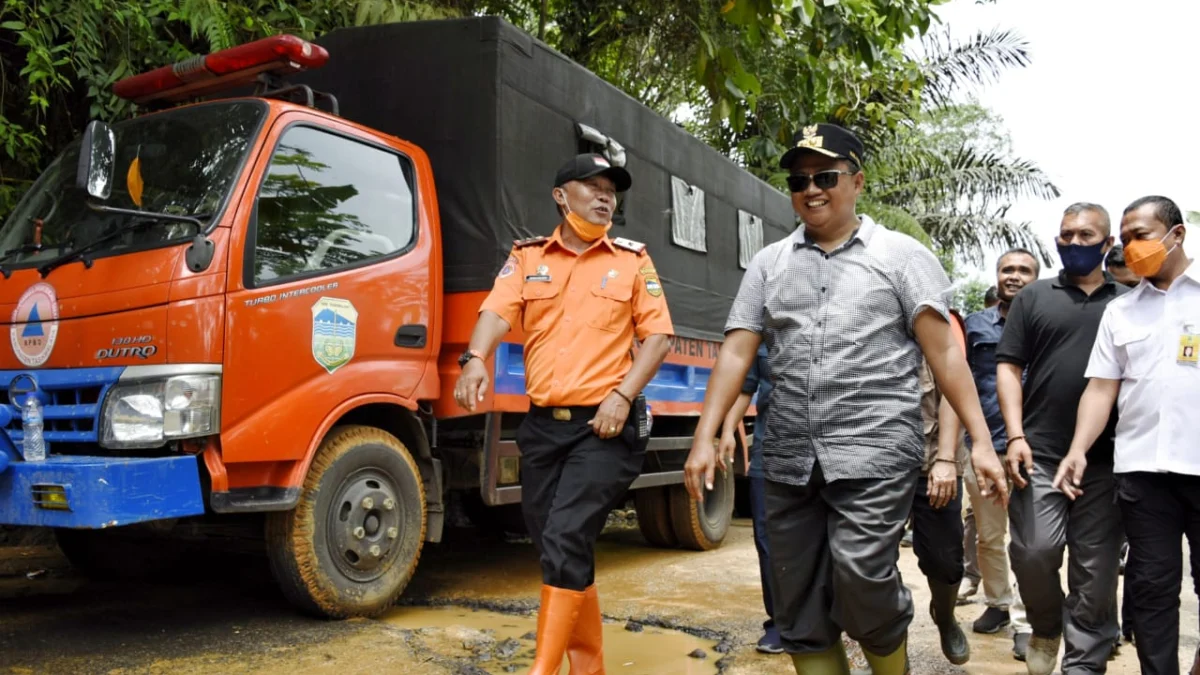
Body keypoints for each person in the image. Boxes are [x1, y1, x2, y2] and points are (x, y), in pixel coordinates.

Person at [682, 123, 1009, 675]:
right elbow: (737, 352)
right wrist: (703, 438)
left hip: (875, 449)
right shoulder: (769, 264)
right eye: (798, 180)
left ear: (856, 181)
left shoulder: (903, 257)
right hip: (787, 453)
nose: (811, 189)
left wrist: (978, 442)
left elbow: (946, 355)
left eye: (825, 176)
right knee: (794, 599)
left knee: (861, 574)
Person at [453, 153, 673, 674]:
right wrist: (474, 359)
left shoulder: (632, 259)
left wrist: (622, 396)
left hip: (605, 426)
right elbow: (496, 309)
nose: (604, 197)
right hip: (542, 429)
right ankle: (588, 668)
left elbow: (659, 336)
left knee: (566, 534)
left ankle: (544, 669)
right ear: (560, 195)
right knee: (556, 546)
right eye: (592, 187)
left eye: (611, 191)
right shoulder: (528, 258)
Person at [1055, 196, 1200, 675]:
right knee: (1151, 588)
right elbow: (1101, 389)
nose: (1131, 247)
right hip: (1142, 474)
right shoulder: (1121, 312)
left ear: (1175, 234)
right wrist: (1077, 449)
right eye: (1127, 236)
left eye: (1141, 234)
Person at [996, 202, 1128, 675]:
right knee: (1034, 552)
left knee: (1095, 572)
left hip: (1109, 459)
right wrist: (1014, 436)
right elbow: (1008, 368)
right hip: (1041, 453)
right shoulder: (1035, 298)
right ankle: (1046, 627)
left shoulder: (1130, 300)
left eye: (1085, 236)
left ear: (1108, 243)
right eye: (1066, 235)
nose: (1073, 243)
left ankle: (1084, 664)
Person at [961, 249, 1038, 659]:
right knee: (990, 537)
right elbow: (961, 385)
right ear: (997, 276)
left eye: (1024, 270)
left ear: (1036, 278)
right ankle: (998, 604)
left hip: (1033, 450)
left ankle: (1027, 621)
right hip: (984, 448)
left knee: (1028, 542)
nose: (1015, 276)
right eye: (1008, 269)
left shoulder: (1047, 321)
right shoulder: (975, 326)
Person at [909, 310, 971, 665]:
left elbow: (953, 386)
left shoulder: (939, 316)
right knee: (870, 561)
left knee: (945, 559)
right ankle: (885, 643)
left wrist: (946, 459)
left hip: (933, 458)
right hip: (875, 464)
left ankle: (945, 617)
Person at [720, 343, 783, 654]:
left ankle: (822, 618)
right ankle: (780, 624)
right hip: (768, 450)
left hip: (821, 453)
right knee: (767, 539)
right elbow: (745, 389)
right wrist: (728, 431)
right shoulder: (762, 333)